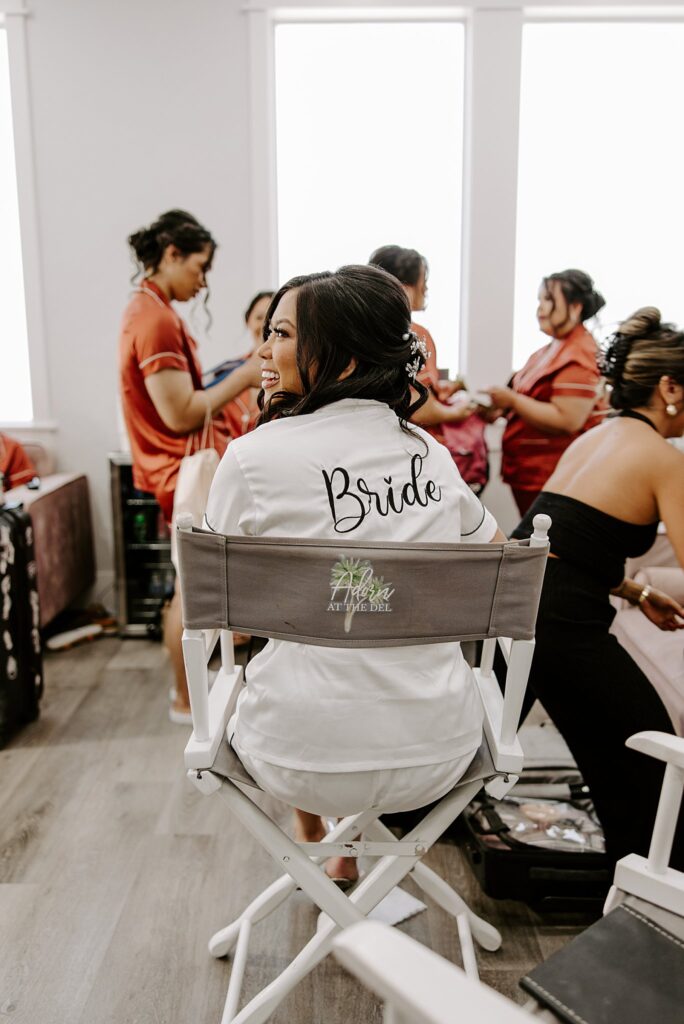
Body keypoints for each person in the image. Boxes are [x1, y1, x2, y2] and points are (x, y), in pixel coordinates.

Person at [204, 264, 507, 885]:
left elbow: (213, 594)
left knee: (304, 664)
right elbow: (499, 559)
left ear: (341, 362)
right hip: (436, 751)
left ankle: (319, 845)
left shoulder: (252, 459)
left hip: (293, 752)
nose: (263, 350)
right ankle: (352, 853)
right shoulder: (429, 454)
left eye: (281, 334)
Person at [512, 306, 684, 867]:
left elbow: (566, 544)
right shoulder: (663, 458)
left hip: (516, 603)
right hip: (560, 621)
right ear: (668, 388)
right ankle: (652, 893)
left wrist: (635, 592)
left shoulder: (597, 437)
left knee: (613, 754)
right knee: (652, 754)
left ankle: (628, 880)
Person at [119, 210, 261, 722]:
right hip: (179, 467)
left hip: (173, 468)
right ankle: (186, 700)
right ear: (171, 254)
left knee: (189, 584)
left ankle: (187, 693)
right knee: (192, 588)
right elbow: (178, 412)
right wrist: (245, 377)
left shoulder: (150, 310)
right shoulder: (154, 319)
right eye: (199, 266)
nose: (203, 281)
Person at [368, 245, 489, 491]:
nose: (426, 288)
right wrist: (457, 413)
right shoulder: (413, 335)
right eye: (424, 280)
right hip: (412, 453)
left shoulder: (361, 333)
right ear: (406, 286)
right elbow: (417, 408)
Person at [488, 269, 606, 516]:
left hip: (554, 476)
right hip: (530, 473)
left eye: (549, 300)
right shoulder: (548, 350)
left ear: (575, 306)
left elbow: (567, 419)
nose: (540, 309)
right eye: (539, 300)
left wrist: (512, 400)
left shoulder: (579, 354)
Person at [223, 291, 274, 439]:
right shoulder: (227, 372)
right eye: (259, 317)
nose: (265, 324)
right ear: (248, 321)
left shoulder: (291, 377)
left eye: (271, 318)